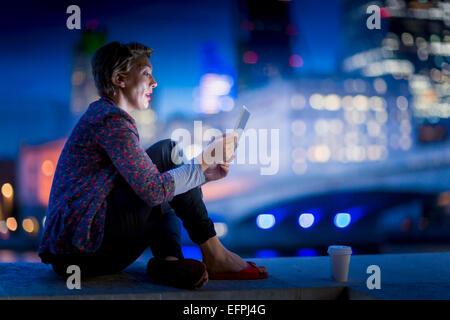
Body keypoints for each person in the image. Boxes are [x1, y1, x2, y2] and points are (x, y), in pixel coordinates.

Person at [38, 41, 267, 289]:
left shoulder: (105, 116)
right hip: (82, 250)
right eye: (146, 73)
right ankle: (215, 255)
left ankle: (169, 262)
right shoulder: (110, 120)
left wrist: (204, 174)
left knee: (168, 180)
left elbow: (156, 187)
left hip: (80, 251)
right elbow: (154, 190)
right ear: (119, 79)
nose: (154, 82)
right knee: (167, 152)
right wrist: (204, 161)